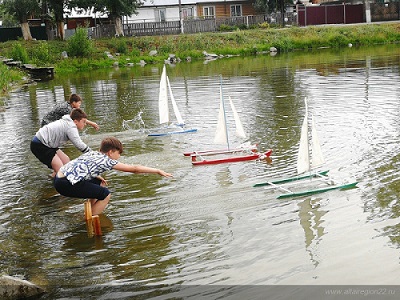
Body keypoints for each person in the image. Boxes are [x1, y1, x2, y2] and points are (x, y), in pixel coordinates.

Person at [53, 137, 173, 216]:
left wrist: (95, 176)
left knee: (98, 184)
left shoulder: (93, 153)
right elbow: (134, 169)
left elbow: (82, 166)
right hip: (66, 184)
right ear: (110, 152)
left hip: (59, 178)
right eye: (118, 153)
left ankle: (89, 212)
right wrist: (157, 170)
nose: (119, 156)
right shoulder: (107, 160)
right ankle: (90, 220)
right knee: (105, 194)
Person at [31, 108, 91, 176]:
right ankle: (59, 183)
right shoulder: (71, 127)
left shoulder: (68, 121)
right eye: (84, 122)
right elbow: (79, 144)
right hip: (39, 144)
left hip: (48, 144)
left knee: (66, 162)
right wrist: (92, 154)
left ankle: (52, 180)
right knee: (61, 170)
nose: (85, 124)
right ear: (76, 121)